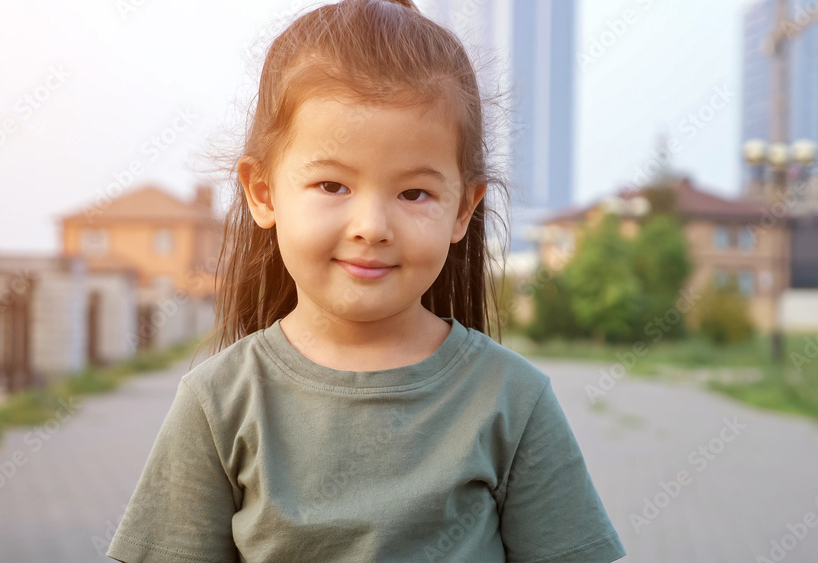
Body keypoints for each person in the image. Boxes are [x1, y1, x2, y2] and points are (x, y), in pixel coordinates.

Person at [106, 0, 626, 561]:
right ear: (262, 192)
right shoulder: (219, 404)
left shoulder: (511, 401)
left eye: (413, 194)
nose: (372, 227)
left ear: (462, 209)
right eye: (332, 185)